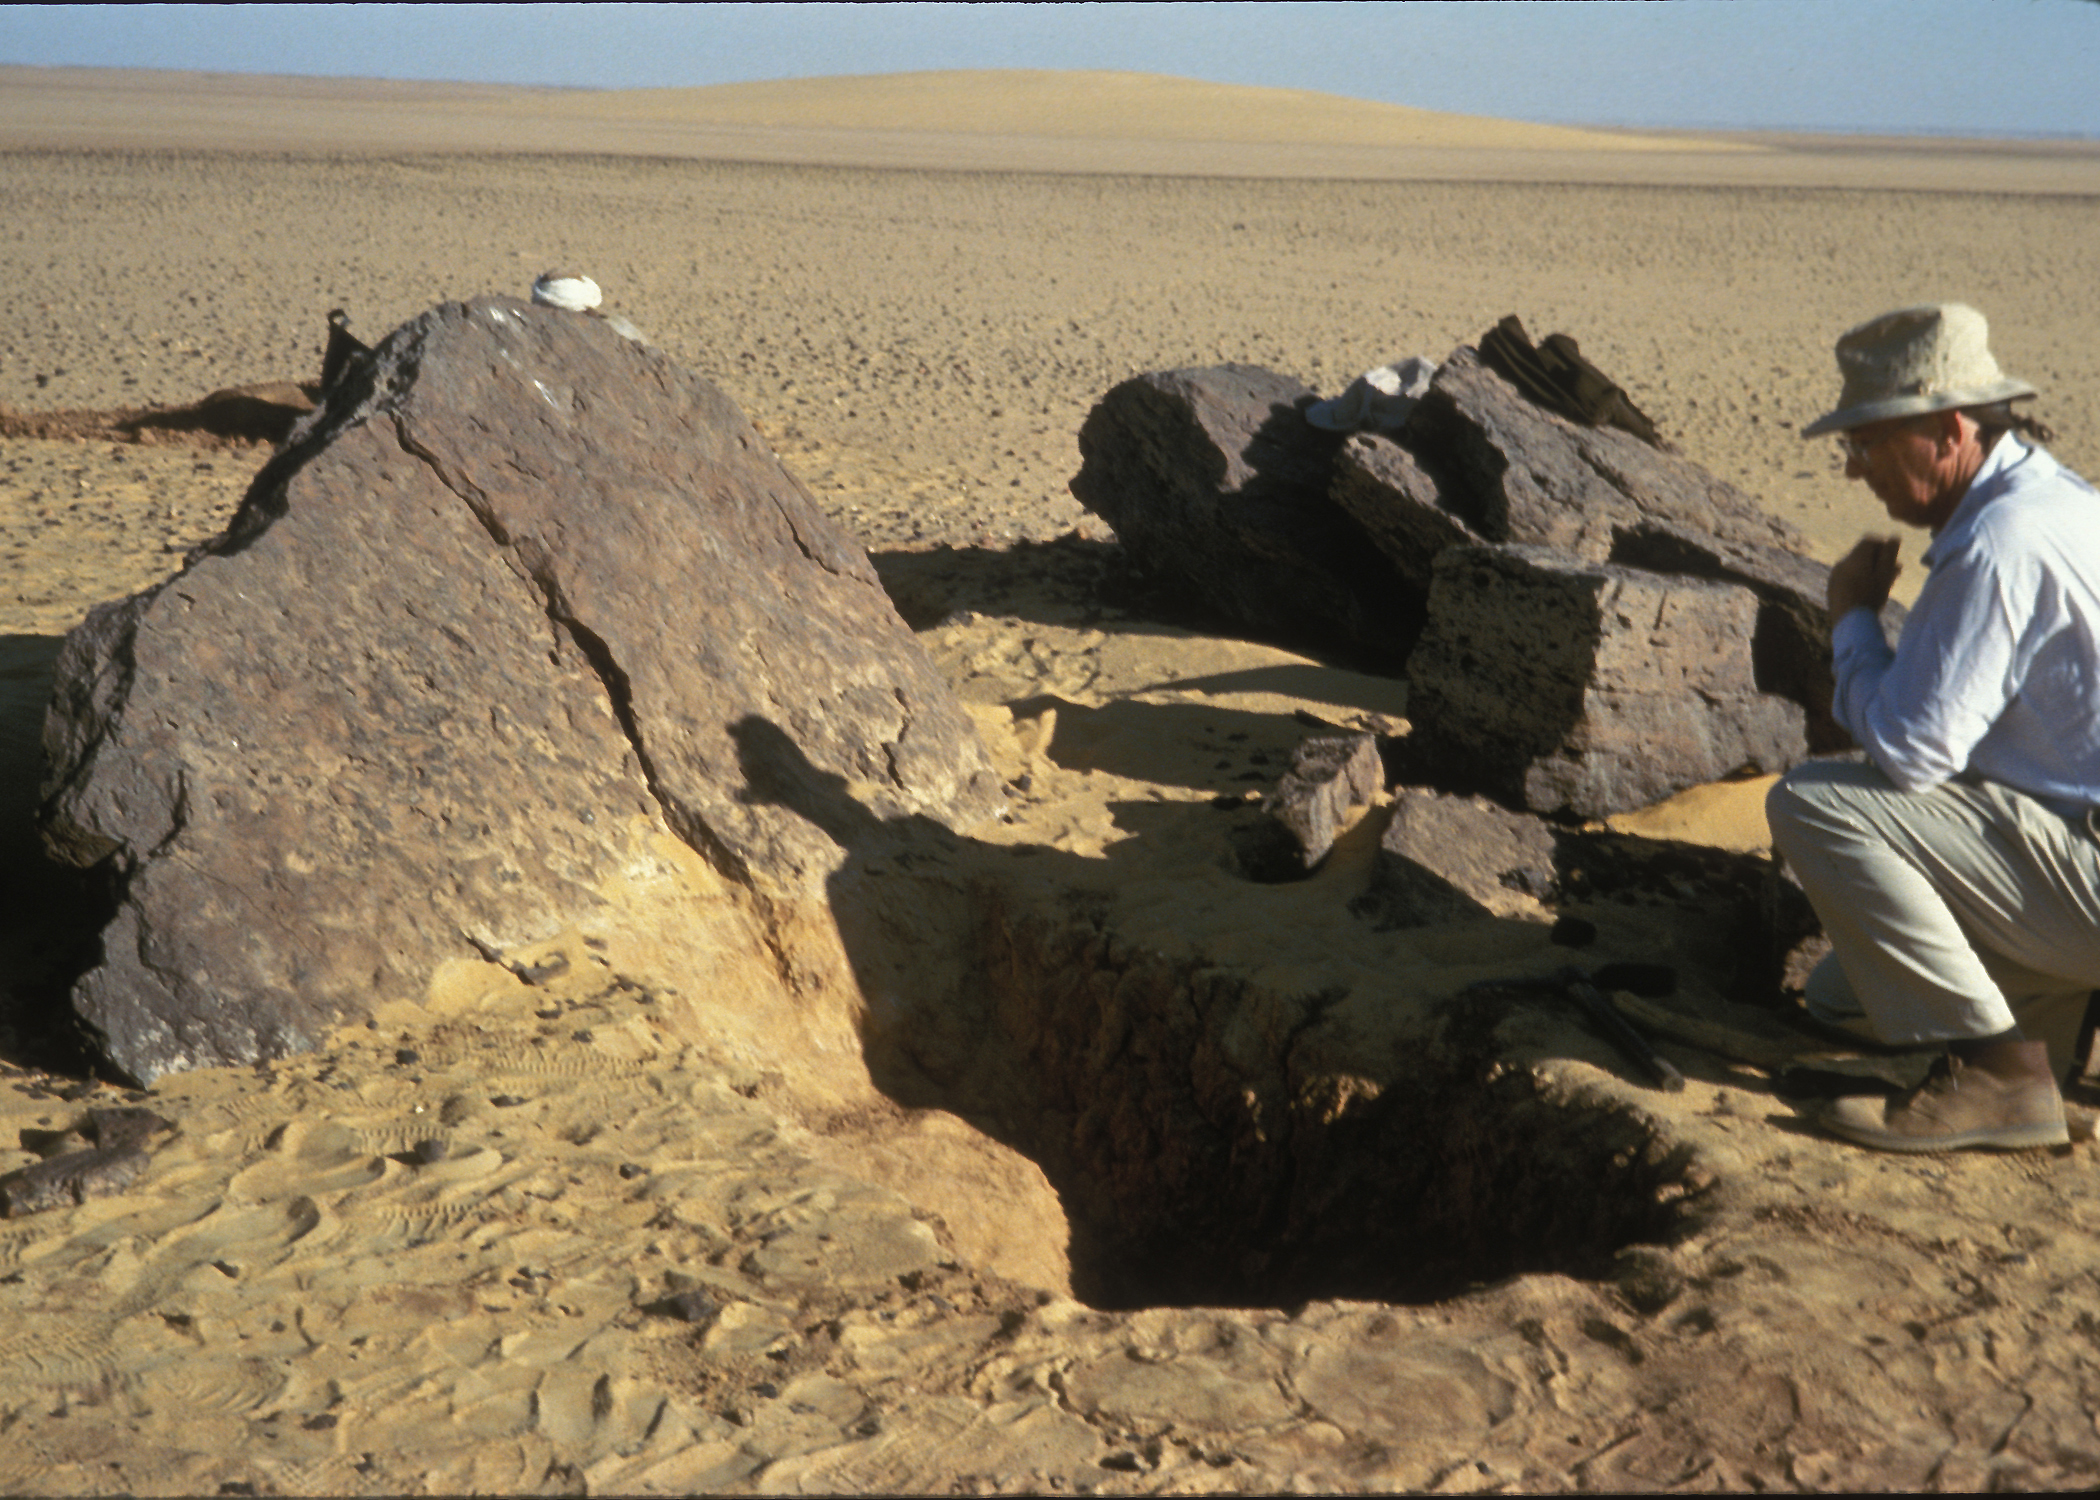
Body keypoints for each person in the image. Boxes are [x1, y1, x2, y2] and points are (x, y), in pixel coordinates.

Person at [1766, 302, 2100, 1153]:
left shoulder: (1999, 543)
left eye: (1869, 440)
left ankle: (2001, 1076)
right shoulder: (2058, 499)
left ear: (1949, 428)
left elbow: (1915, 751)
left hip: (2086, 870)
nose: (1854, 468)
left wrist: (1852, 625)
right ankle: (2057, 1012)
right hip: (2073, 851)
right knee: (1843, 995)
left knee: (1812, 805)